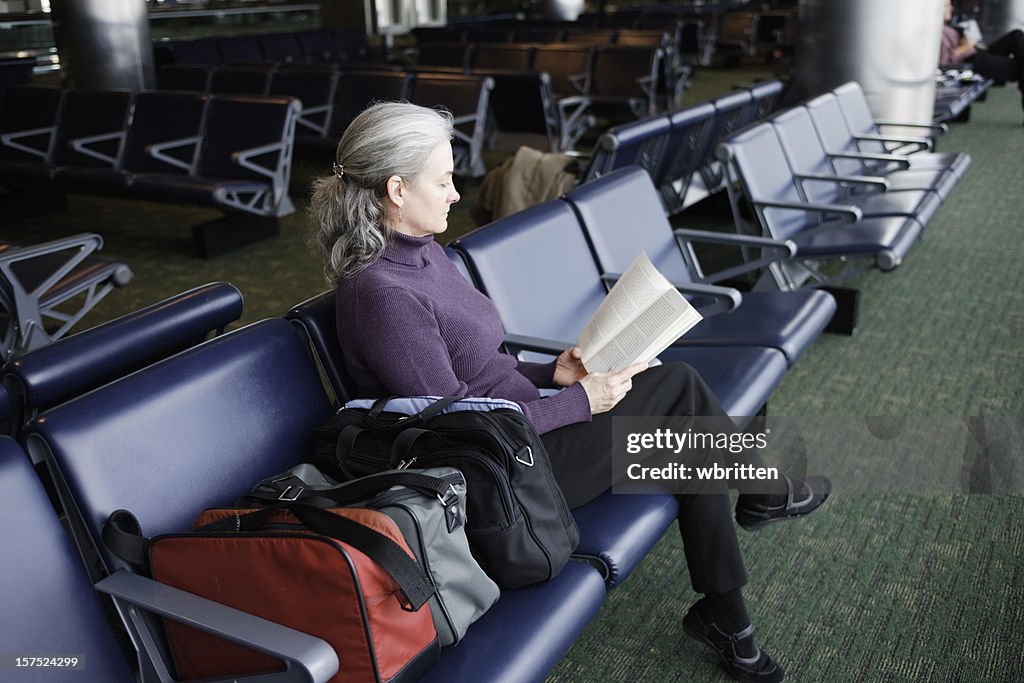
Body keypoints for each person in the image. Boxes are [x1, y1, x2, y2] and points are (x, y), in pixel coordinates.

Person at [308, 101, 832, 683]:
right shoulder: (383, 295)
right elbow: (456, 430)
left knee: (688, 436)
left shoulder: (426, 252)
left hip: (525, 428)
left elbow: (481, 366)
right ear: (397, 190)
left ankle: (731, 617)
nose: (457, 193)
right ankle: (756, 519)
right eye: (445, 180)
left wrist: (548, 374)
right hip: (504, 474)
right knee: (682, 401)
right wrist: (581, 402)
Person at [940, 0, 1024, 118]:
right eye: (948, 6)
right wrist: (966, 46)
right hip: (970, 62)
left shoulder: (946, 26)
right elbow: (944, 62)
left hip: (976, 54)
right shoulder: (937, 31)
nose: (952, 8)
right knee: (1018, 68)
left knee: (1017, 35)